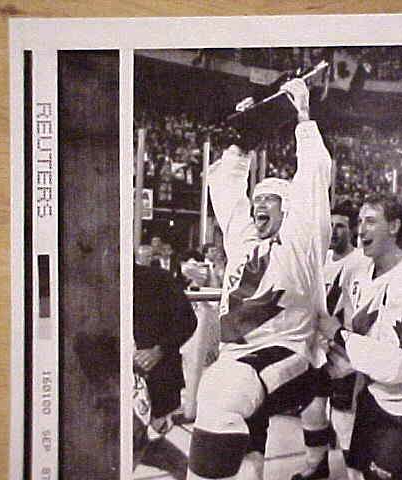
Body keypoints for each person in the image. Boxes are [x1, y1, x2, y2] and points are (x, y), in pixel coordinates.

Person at [186, 78, 332, 480]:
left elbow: (315, 176)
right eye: (257, 198)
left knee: (219, 395)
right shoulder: (244, 241)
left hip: (290, 355)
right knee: (246, 455)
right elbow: (226, 187)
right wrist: (243, 141)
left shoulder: (301, 240)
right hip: (242, 359)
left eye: (269, 198)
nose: (258, 203)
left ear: (289, 209)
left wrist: (302, 117)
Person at [319, 193, 402, 480]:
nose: (361, 229)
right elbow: (367, 345)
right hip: (375, 399)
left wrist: (340, 336)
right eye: (360, 222)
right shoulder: (360, 276)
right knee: (356, 473)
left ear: (394, 227)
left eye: (371, 221)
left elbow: (399, 365)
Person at [293, 205, 367, 480]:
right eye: (330, 225)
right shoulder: (319, 260)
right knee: (311, 411)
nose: (333, 231)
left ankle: (354, 475)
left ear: (352, 230)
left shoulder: (360, 262)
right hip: (315, 348)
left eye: (340, 226)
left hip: (342, 350)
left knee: (343, 419)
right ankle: (317, 465)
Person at [133, 244, 198, 469]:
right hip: (113, 389)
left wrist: (158, 350)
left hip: (158, 384)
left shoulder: (157, 280)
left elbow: (188, 320)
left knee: (144, 443)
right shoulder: (92, 289)